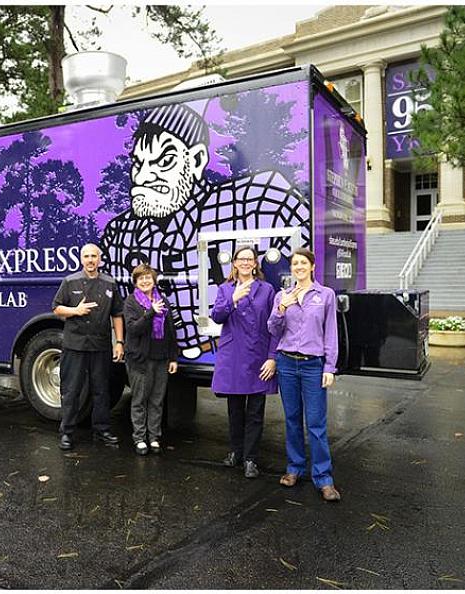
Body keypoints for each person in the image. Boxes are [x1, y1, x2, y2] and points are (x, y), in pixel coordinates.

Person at [99, 103, 310, 360]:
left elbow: (302, 271)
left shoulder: (261, 202)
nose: (143, 175)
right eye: (138, 163)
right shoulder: (119, 235)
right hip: (151, 354)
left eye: (163, 160)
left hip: (236, 349)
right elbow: (115, 308)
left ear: (197, 160)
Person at [267, 247, 341, 502]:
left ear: (312, 266)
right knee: (292, 419)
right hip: (287, 363)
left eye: (303, 263)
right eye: (295, 263)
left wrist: (329, 367)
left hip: (312, 366)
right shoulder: (282, 295)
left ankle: (324, 478)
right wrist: (281, 309)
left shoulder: (325, 295)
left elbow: (331, 332)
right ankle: (294, 468)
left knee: (317, 423)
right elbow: (273, 329)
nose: (298, 267)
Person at [209, 246, 278, 479]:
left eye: (250, 259)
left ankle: (250, 459)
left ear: (256, 263)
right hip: (234, 357)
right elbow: (217, 316)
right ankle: (236, 452)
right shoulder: (225, 289)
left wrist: (272, 357)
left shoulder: (267, 289)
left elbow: (274, 326)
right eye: (242, 259)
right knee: (235, 411)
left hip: (258, 357)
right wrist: (233, 299)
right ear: (235, 263)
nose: (246, 263)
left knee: (255, 412)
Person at [52, 243, 125, 451]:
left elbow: (117, 314)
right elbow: (57, 308)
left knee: (101, 390)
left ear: (99, 259)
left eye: (94, 256)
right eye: (86, 256)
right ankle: (66, 433)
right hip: (74, 345)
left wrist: (119, 342)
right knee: (72, 390)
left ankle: (102, 430)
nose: (90, 260)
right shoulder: (70, 281)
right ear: (81, 259)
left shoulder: (109, 283)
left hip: (100, 345)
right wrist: (76, 310)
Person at [123, 264, 179, 456]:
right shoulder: (131, 302)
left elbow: (171, 331)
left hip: (161, 358)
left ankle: (154, 437)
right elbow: (133, 329)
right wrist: (151, 313)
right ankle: (139, 438)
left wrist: (173, 357)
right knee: (140, 399)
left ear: (154, 280)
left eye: (148, 278)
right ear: (136, 282)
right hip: (140, 359)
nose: (145, 281)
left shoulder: (162, 300)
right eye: (141, 279)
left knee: (157, 400)